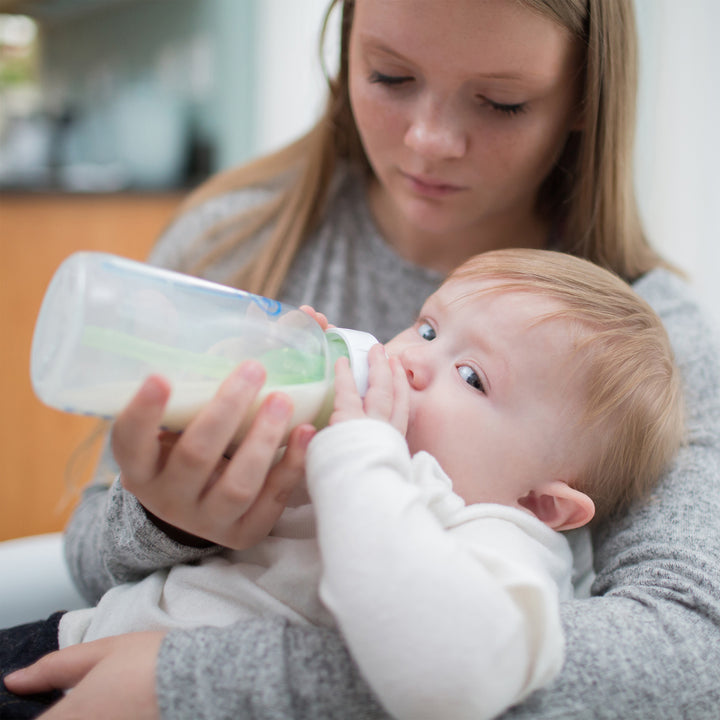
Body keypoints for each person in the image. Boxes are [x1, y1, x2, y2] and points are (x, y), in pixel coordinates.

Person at [4, 0, 720, 718]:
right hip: (70, 641)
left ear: (583, 97)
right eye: (390, 75)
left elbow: (688, 654)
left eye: (501, 102)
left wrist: (199, 683)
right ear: (344, 51)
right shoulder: (239, 244)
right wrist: (170, 516)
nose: (429, 139)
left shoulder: (639, 349)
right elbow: (89, 552)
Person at [2, 248, 684, 720]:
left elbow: (452, 676)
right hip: (70, 642)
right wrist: (240, 411)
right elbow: (114, 537)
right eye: (427, 326)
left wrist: (361, 451)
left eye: (472, 376)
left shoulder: (500, 542)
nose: (412, 361)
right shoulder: (342, 451)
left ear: (543, 502)